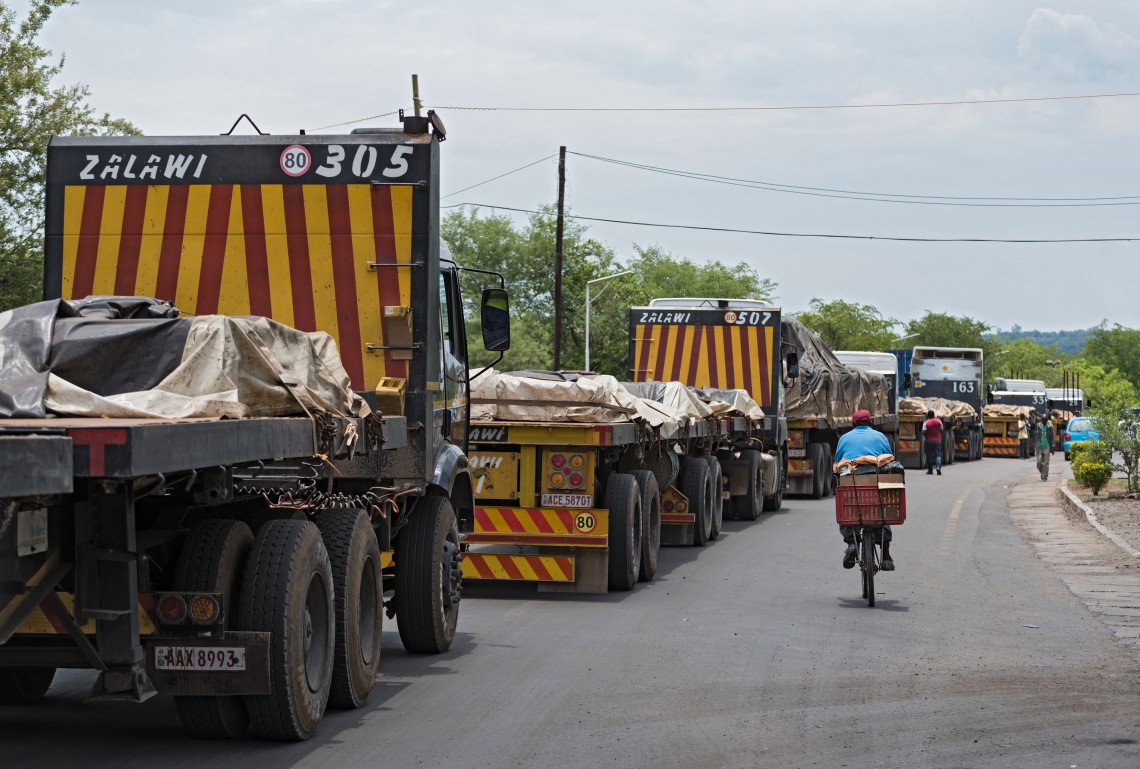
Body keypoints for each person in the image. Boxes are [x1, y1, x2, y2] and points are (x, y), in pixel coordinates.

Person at [834, 409, 895, 571]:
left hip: (852, 483)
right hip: (876, 485)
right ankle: (886, 555)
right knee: (883, 512)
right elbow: (888, 459)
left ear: (853, 424)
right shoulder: (881, 437)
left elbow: (838, 461)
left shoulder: (845, 438)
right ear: (870, 423)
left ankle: (852, 543)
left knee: (846, 509)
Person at [922, 409, 943, 475]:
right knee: (938, 455)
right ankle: (938, 467)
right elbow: (941, 429)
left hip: (928, 442)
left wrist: (925, 435)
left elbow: (923, 431)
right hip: (937, 441)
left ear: (928, 416)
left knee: (929, 456)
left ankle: (930, 470)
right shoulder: (939, 421)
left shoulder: (926, 422)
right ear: (934, 415)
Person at [1035, 416, 1055, 481]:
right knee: (1039, 463)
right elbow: (1036, 436)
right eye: (1042, 420)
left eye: (1045, 420)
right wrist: (1035, 445)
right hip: (1039, 447)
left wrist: (1052, 446)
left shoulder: (1050, 427)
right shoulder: (1038, 426)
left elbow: (1052, 437)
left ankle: (1044, 476)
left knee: (1046, 463)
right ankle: (1043, 473)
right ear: (1041, 420)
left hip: (1047, 446)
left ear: (1047, 421)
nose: (1044, 422)